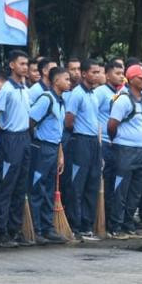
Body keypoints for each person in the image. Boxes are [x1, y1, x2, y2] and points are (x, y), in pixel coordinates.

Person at [106, 64, 142, 238]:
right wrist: (118, 140)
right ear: (131, 79)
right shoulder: (123, 99)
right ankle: (115, 226)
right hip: (124, 150)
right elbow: (112, 125)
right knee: (120, 190)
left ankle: (128, 223)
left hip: (141, 150)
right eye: (141, 78)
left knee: (135, 190)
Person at [0, 49, 32, 247]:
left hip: (25, 138)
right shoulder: (6, 89)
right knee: (6, 186)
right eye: (22, 64)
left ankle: (14, 230)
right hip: (10, 140)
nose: (25, 67)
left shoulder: (26, 89)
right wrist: (5, 134)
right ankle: (1, 232)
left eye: (27, 64)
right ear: (12, 65)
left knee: (20, 187)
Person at [63, 58, 104, 241]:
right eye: (93, 72)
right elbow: (69, 120)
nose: (96, 75)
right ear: (85, 74)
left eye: (98, 72)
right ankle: (75, 225)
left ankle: (87, 224)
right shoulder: (77, 93)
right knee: (77, 185)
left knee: (92, 183)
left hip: (94, 142)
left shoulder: (93, 94)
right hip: (80, 142)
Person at [28, 65, 69, 244]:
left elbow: (58, 130)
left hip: (53, 148)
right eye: (66, 79)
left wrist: (60, 154)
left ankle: (48, 227)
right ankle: (36, 229)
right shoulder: (46, 99)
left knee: (50, 189)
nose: (69, 82)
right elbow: (30, 121)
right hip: (41, 148)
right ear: (55, 81)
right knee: (37, 188)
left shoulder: (61, 101)